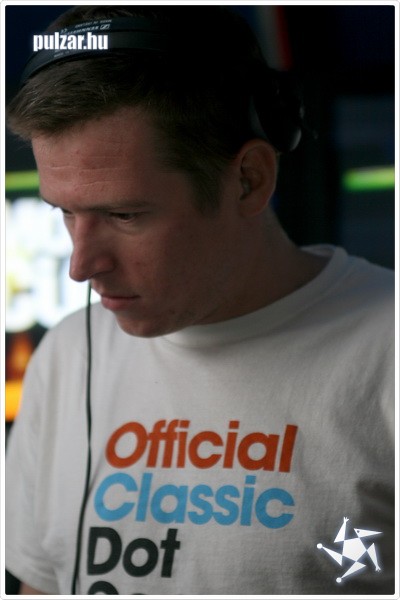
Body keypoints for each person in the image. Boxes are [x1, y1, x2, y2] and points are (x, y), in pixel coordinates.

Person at [5, 4, 394, 596]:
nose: (82, 266)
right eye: (65, 212)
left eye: (125, 215)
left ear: (249, 179)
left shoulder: (386, 352)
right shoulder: (67, 356)